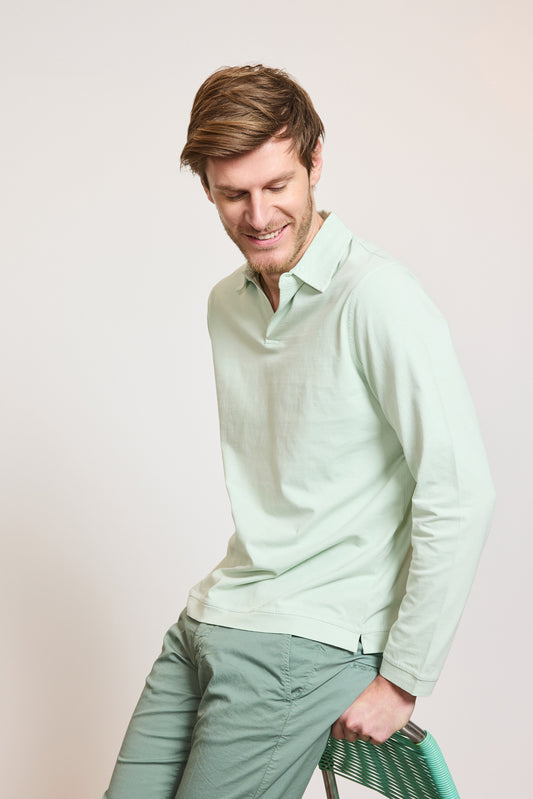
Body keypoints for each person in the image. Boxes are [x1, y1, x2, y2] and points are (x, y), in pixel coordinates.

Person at [103, 64, 495, 799]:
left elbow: (459, 491)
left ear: (315, 163)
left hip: (305, 644)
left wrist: (403, 680)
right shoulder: (228, 303)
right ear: (207, 189)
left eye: (277, 185)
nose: (258, 216)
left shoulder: (376, 297)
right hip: (211, 617)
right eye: (234, 194)